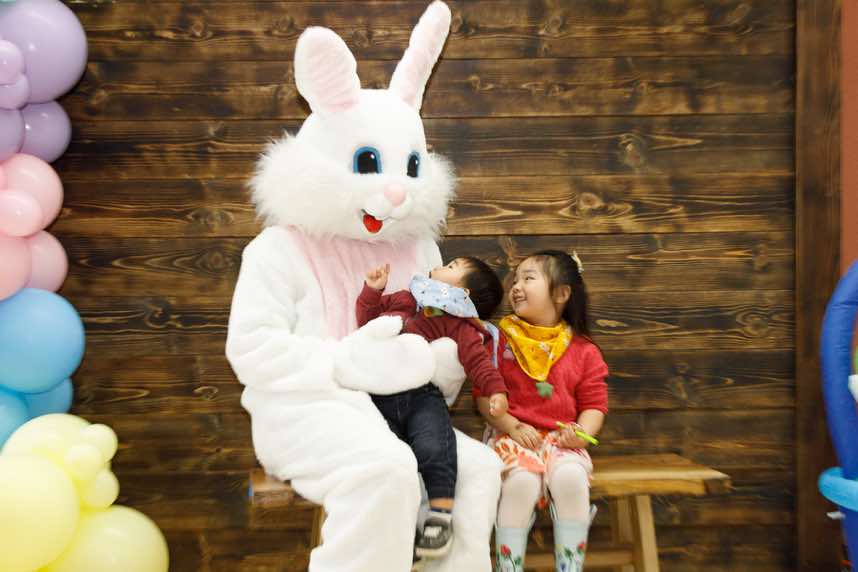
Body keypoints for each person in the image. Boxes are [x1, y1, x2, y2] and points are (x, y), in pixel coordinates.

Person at [356, 256, 507, 558]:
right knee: (387, 459)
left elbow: (477, 361)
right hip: (380, 392)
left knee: (434, 446)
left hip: (422, 396)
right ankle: (401, 529)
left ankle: (440, 515)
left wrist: (496, 390)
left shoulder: (458, 322)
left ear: (463, 293)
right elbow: (367, 321)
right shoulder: (406, 297)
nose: (442, 266)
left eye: (451, 267)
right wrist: (372, 291)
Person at [475, 250, 608, 572]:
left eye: (529, 278)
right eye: (515, 280)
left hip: (562, 441)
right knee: (521, 483)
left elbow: (594, 404)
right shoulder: (500, 342)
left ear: (561, 294)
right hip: (512, 436)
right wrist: (511, 425)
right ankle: (509, 566)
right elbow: (484, 396)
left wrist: (581, 434)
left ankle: (570, 566)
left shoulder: (583, 349)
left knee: (572, 478)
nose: (517, 286)